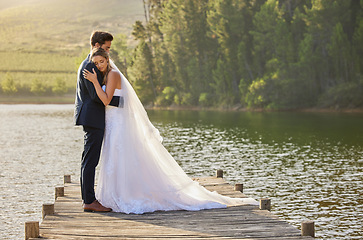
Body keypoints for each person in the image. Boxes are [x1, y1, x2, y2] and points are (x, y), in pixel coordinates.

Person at [83, 47, 258, 214]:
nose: (99, 65)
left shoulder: (112, 74)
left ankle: (127, 195)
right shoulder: (105, 76)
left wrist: (94, 82)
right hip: (112, 121)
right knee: (114, 157)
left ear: (107, 60)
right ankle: (116, 193)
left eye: (101, 61)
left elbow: (106, 100)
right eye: (96, 63)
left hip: (118, 122)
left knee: (119, 156)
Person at [74, 31, 123, 212]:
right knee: (90, 161)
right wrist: (122, 102)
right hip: (93, 117)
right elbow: (97, 97)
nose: (108, 52)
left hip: (91, 117)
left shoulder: (88, 63)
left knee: (88, 159)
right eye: (106, 48)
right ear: (96, 45)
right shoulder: (91, 66)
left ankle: (88, 199)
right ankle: (89, 201)